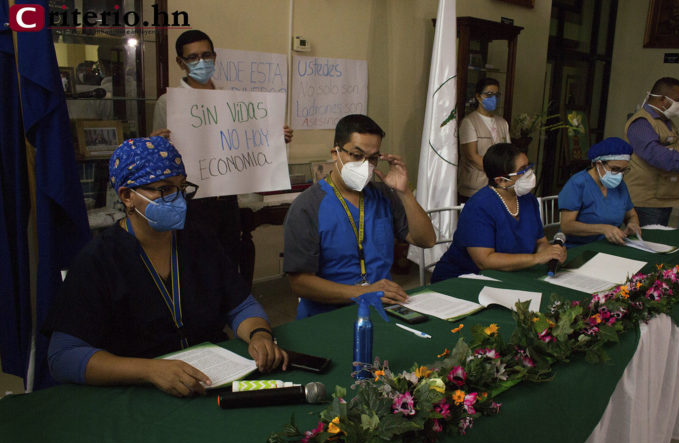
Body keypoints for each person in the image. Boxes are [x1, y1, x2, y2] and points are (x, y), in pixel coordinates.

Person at [44, 137, 288, 397]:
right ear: (127, 196)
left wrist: (259, 334)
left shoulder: (199, 241)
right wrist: (149, 370)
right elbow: (63, 357)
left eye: (182, 187)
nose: (179, 199)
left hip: (209, 378)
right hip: (138, 392)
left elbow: (241, 305)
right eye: (165, 190)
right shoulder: (99, 260)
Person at [150, 30, 294, 281]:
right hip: (191, 202)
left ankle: (233, 315)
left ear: (215, 57)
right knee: (195, 268)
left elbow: (247, 144)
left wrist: (274, 138)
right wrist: (156, 144)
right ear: (180, 62)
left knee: (228, 263)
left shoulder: (232, 99)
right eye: (193, 57)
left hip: (227, 200)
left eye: (206, 55)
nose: (201, 62)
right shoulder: (168, 103)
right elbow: (161, 159)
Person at [283, 114, 436, 319]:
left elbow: (426, 240)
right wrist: (362, 292)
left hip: (382, 308)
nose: (365, 165)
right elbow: (299, 282)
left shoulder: (384, 195)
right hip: (329, 315)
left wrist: (404, 192)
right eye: (356, 155)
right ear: (335, 153)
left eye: (372, 158)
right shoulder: (308, 206)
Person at [431, 143, 566, 283]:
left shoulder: (528, 200)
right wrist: (536, 259)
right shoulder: (479, 206)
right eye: (522, 171)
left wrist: (550, 251)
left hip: (509, 276)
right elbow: (485, 261)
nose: (530, 174)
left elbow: (540, 241)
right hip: (463, 280)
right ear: (501, 180)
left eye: (528, 167)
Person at [624, 77, 679, 227]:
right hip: (646, 200)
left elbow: (668, 147)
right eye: (678, 100)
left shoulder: (664, 121)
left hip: (662, 196)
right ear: (663, 99)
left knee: (658, 241)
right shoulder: (642, 122)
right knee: (648, 244)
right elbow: (654, 154)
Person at [558, 137, 641, 247]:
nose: (619, 175)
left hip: (608, 245)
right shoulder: (577, 184)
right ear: (598, 164)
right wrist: (603, 228)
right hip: (578, 247)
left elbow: (631, 215)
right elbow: (567, 226)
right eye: (615, 169)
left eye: (623, 170)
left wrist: (633, 223)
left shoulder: (619, 185)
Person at [457, 78, 511, 202]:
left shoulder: (502, 123)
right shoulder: (469, 122)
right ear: (478, 96)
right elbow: (472, 156)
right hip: (474, 188)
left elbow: (508, 153)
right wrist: (497, 172)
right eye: (489, 94)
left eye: (496, 95)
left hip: (498, 188)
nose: (493, 98)